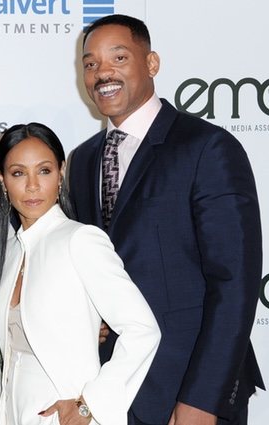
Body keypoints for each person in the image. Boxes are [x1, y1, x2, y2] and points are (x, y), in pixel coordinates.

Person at [68, 14, 264, 425]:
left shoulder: (208, 148)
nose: (103, 72)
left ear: (151, 63)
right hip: (112, 390)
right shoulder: (83, 160)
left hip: (187, 391)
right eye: (90, 63)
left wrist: (203, 400)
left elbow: (235, 284)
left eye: (118, 57)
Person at [0, 122, 160, 425]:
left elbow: (142, 329)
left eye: (44, 171)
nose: (32, 185)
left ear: (61, 173)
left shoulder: (80, 240)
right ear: (2, 180)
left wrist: (89, 405)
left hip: (64, 414)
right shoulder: (11, 252)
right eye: (18, 173)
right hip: (13, 412)